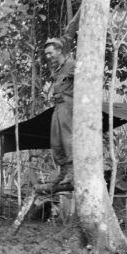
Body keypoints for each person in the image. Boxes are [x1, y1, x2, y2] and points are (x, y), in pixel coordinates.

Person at [46, 37, 75, 186]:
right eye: (47, 54)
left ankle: (71, 171)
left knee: (67, 137)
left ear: (59, 51)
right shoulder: (57, 69)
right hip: (58, 105)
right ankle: (63, 171)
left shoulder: (72, 64)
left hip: (69, 104)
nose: (48, 57)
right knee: (55, 141)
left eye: (50, 53)